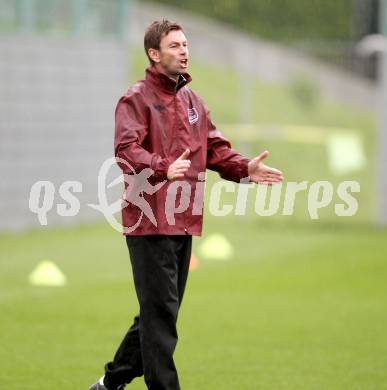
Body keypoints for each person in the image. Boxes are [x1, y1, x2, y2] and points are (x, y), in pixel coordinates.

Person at [89, 19, 283, 390]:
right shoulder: (136, 98)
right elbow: (126, 151)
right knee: (160, 315)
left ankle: (109, 383)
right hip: (149, 220)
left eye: (185, 44)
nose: (184, 51)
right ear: (154, 53)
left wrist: (245, 167)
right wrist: (162, 167)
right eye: (175, 45)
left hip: (184, 219)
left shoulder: (193, 101)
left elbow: (213, 149)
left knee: (160, 313)